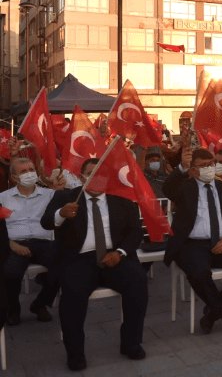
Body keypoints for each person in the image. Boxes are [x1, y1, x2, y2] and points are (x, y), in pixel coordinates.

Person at [41, 158, 148, 371]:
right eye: (91, 173)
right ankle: (75, 353)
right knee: (72, 295)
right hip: (79, 258)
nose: (96, 178)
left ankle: (131, 343)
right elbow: (46, 222)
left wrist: (120, 252)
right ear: (81, 177)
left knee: (138, 283)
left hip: (114, 256)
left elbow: (136, 231)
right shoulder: (66, 196)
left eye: (101, 174)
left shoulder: (121, 198)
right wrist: (61, 214)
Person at [163, 148, 222, 334]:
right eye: (203, 166)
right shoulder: (185, 187)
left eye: (211, 164)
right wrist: (182, 167)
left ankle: (212, 313)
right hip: (192, 244)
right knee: (199, 273)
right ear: (194, 170)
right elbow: (168, 188)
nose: (209, 168)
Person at [2, 158, 63, 325]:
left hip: (43, 242)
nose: (29, 173)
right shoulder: (3, 198)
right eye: (23, 171)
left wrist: (60, 188)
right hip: (16, 244)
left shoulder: (50, 194)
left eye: (31, 169)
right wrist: (10, 244)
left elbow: (70, 203)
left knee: (64, 266)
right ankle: (13, 309)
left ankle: (40, 304)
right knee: (10, 273)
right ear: (14, 178)